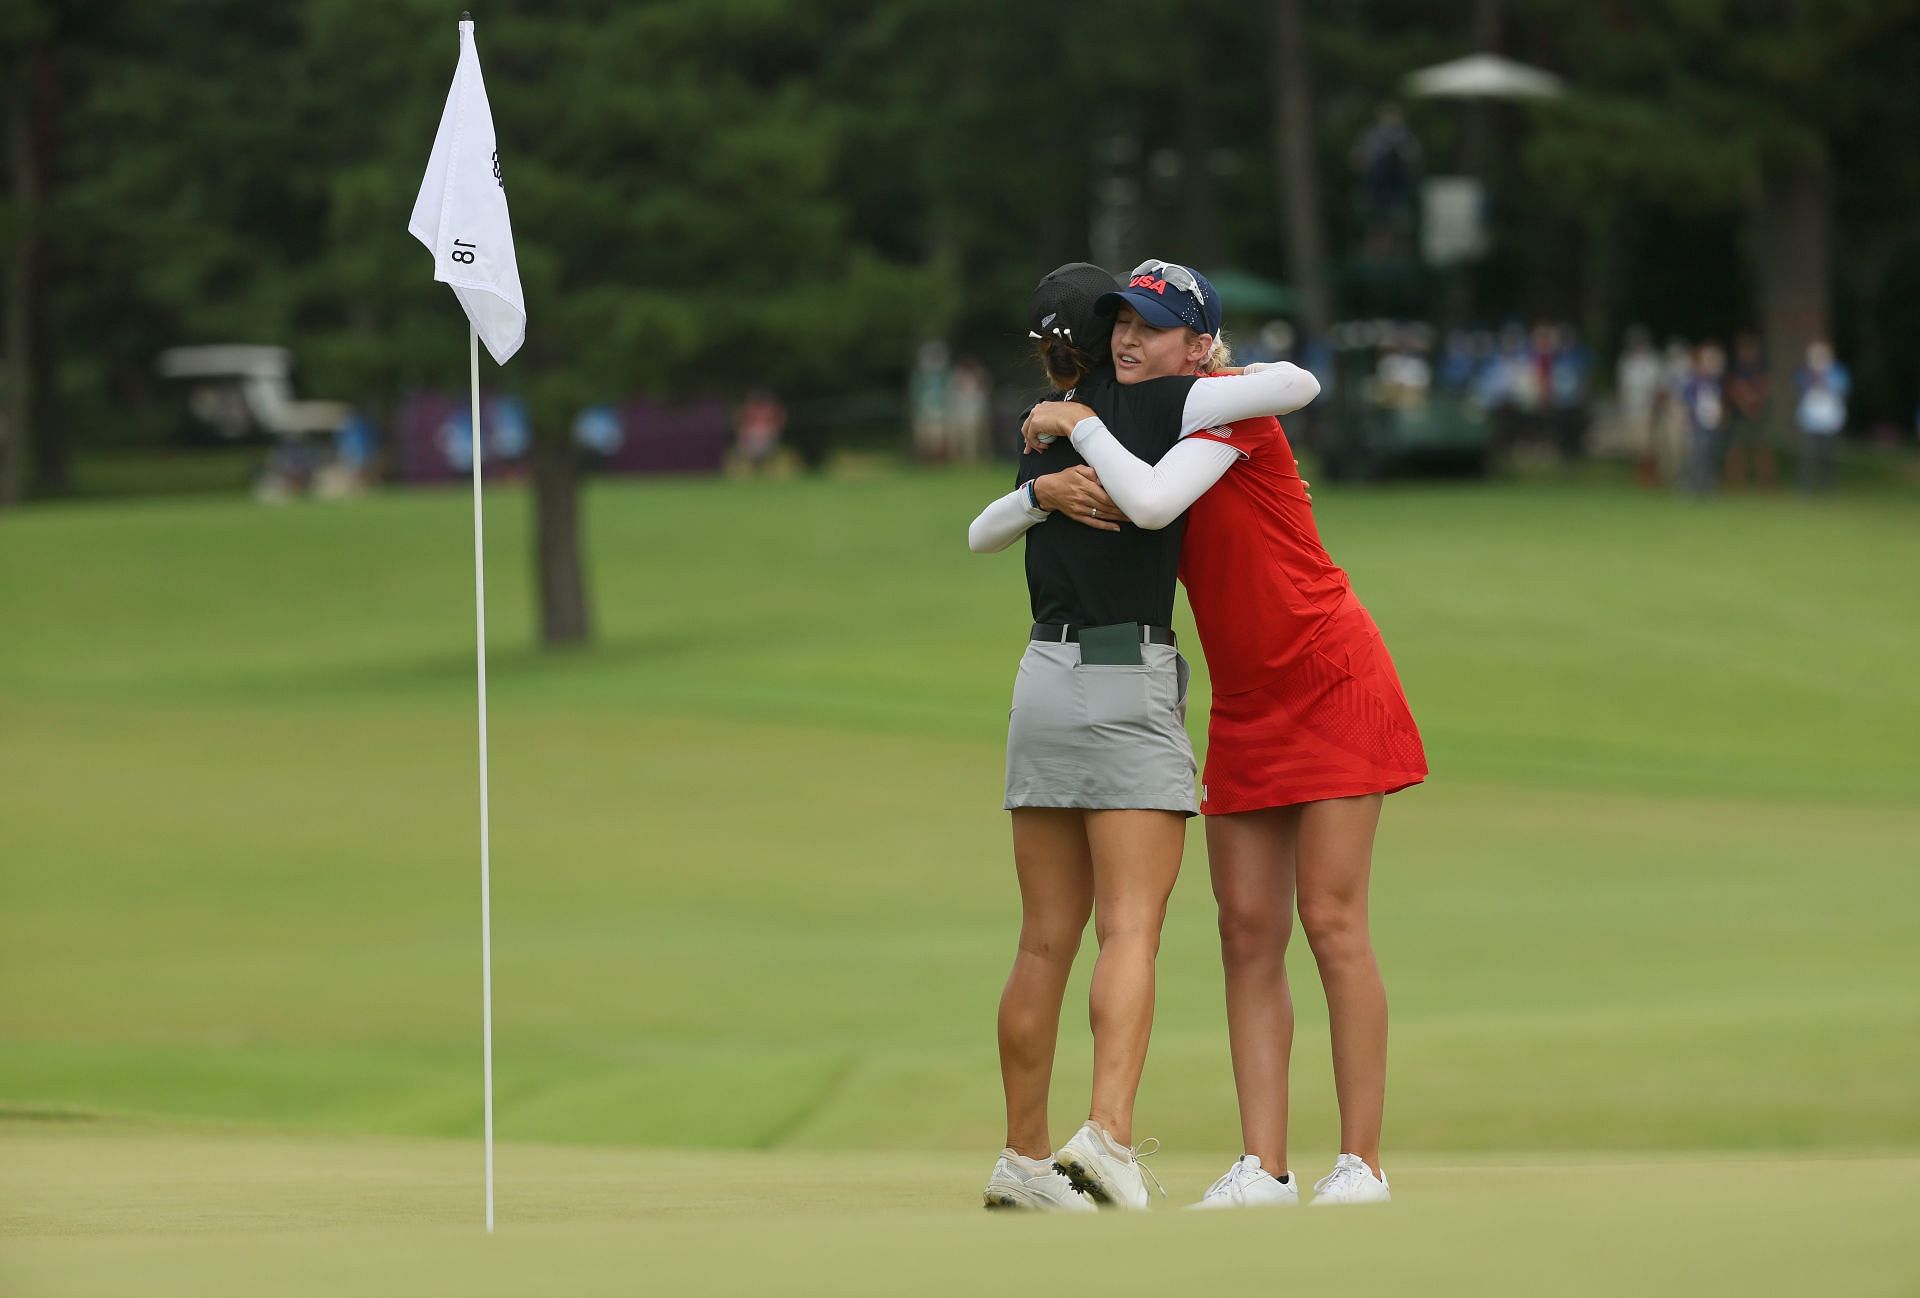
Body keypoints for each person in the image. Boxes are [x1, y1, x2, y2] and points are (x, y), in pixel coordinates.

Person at [1022, 258, 1424, 1208]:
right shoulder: (1137, 421)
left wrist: (1074, 422)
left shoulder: (1225, 407)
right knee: (1245, 932)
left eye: (1153, 326)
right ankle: (1264, 1167)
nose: (1129, 338)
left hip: (1330, 677)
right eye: (1121, 322)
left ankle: (1360, 1164)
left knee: (1330, 923)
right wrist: (1048, 473)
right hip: (1246, 701)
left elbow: (1156, 501)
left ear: (1199, 346)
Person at [967, 262, 1320, 1212]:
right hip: (1127, 676)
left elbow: (979, 534)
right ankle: (1109, 1139)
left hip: (1040, 676)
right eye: (1118, 322)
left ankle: (1022, 1163)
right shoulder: (1167, 404)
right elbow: (1292, 385)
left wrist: (1044, 484)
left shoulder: (1054, 417)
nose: (1128, 339)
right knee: (1130, 927)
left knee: (1043, 942)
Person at [1794, 340, 1849, 493]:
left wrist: (1826, 381)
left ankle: (1829, 488)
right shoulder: (1805, 374)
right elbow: (1798, 387)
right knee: (1808, 457)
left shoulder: (1837, 372)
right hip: (1809, 422)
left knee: (1829, 457)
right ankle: (1806, 488)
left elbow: (1843, 389)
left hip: (1831, 422)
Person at [1722, 334, 1774, 489]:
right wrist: (1744, 401)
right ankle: (1735, 482)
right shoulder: (1734, 367)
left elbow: (1767, 387)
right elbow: (1731, 389)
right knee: (1736, 449)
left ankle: (1766, 483)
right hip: (1739, 415)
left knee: (1762, 450)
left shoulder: (1761, 367)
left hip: (1758, 415)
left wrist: (1753, 400)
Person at [1681, 341, 1727, 496]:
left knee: (1710, 454)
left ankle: (1707, 486)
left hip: (1712, 424)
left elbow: (1717, 401)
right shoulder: (1694, 382)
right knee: (1697, 455)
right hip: (1698, 424)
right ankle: (1693, 486)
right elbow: (1687, 398)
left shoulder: (1714, 382)